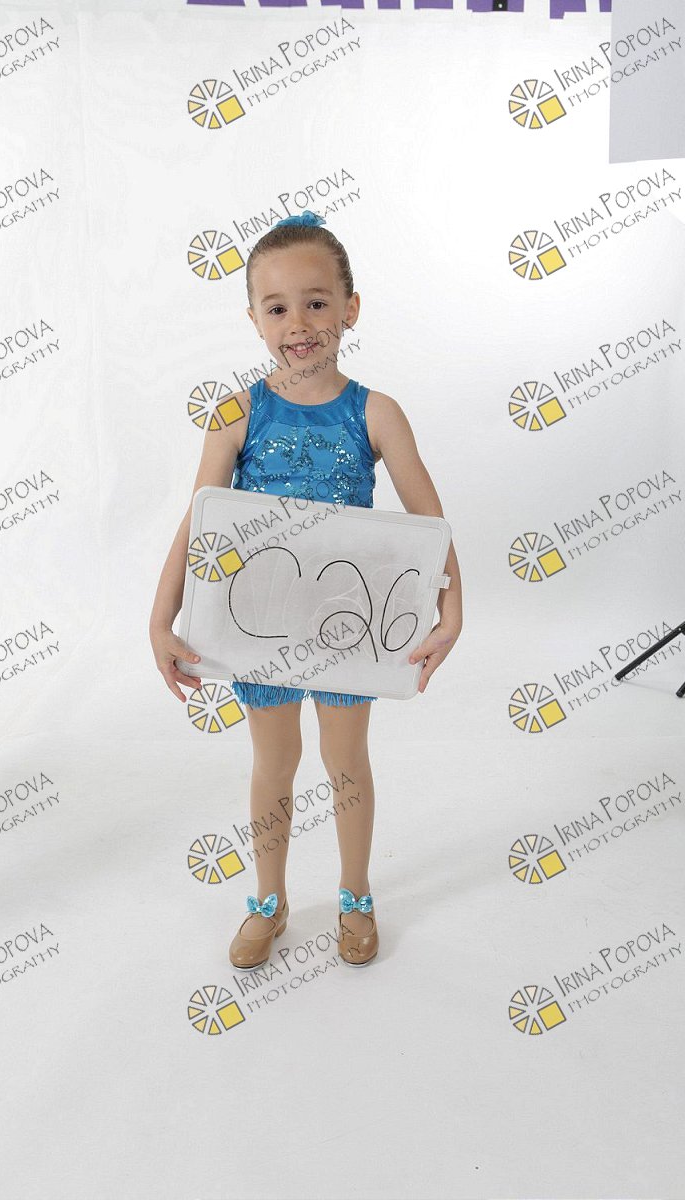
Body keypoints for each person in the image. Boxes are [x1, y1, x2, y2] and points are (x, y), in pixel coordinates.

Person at [149, 210, 463, 969]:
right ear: (254, 318)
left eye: (317, 302)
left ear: (350, 308)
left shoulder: (376, 413)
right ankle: (269, 898)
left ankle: (355, 894)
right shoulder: (238, 413)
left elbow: (430, 526)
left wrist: (452, 608)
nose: (299, 323)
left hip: (349, 624)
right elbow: (200, 522)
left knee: (346, 761)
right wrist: (162, 617)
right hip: (257, 624)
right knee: (274, 762)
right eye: (278, 307)